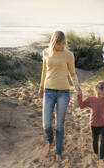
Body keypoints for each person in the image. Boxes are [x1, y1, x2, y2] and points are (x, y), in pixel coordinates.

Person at [38, 30, 81, 162]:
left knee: (59, 125)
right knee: (46, 125)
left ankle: (58, 151)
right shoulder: (46, 52)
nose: (62, 46)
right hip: (48, 91)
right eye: (59, 44)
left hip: (64, 92)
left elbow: (72, 73)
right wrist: (40, 88)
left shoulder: (69, 55)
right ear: (54, 42)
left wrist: (77, 87)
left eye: (64, 43)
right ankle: (50, 140)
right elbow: (44, 71)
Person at [77, 81, 104, 166]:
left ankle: (101, 158)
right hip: (94, 124)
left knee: (103, 141)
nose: (101, 96)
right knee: (95, 140)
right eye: (99, 93)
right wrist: (79, 95)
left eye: (103, 94)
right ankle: (95, 153)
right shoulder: (91, 99)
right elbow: (81, 105)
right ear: (95, 90)